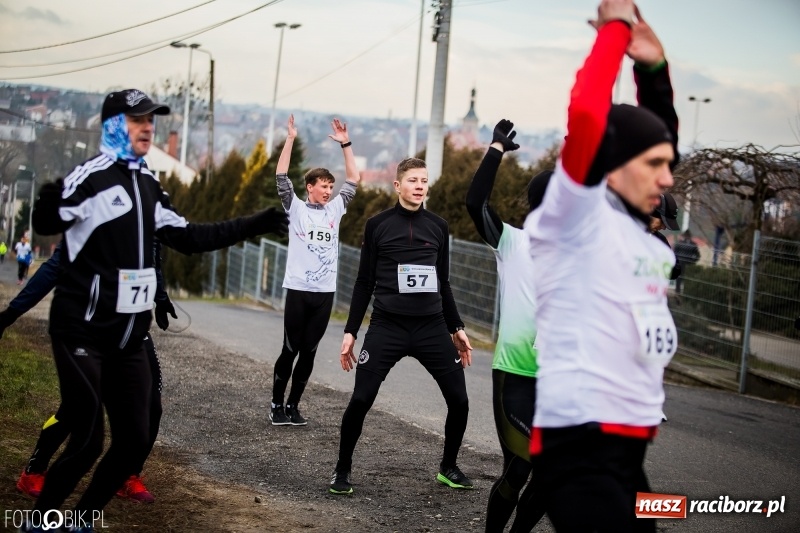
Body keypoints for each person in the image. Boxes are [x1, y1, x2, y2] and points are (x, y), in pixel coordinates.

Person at [21, 88, 288, 533]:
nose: (148, 127)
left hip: (128, 338)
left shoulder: (147, 183)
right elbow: (50, 220)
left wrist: (253, 223)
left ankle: (80, 521)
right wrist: (46, 207)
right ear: (112, 126)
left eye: (151, 120)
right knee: (88, 440)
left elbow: (190, 237)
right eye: (137, 120)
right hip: (81, 330)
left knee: (135, 441)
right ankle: (40, 523)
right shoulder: (91, 177)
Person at [519, 2, 678, 531]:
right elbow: (589, 115)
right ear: (612, 166)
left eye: (668, 164)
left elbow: (652, 136)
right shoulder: (576, 218)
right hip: (579, 446)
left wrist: (652, 69)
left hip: (630, 451)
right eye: (655, 166)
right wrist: (614, 32)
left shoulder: (637, 231)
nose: (667, 179)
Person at [330, 157, 473, 495]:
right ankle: (341, 469)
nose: (420, 186)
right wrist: (350, 332)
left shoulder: (438, 226)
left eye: (424, 181)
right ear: (397, 186)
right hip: (388, 326)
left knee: (460, 400)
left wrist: (456, 327)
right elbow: (364, 282)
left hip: (431, 326)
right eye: (412, 180)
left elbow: (443, 281)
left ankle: (448, 467)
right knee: (361, 398)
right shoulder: (377, 225)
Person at [3, 241, 175, 505]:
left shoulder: (148, 218)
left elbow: (151, 261)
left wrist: (160, 297)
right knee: (78, 407)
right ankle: (34, 470)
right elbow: (54, 267)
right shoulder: (90, 219)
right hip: (90, 327)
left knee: (152, 407)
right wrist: (13, 312)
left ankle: (127, 474)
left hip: (130, 327)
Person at [465, 120, 546, 532]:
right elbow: (475, 202)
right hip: (515, 375)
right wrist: (495, 149)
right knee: (519, 469)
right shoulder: (513, 242)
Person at [269, 114, 361, 426]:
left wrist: (345, 144)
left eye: (331, 187)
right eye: (324, 186)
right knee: (290, 349)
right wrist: (290, 138)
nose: (328, 191)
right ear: (310, 187)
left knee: (309, 351)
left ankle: (293, 406)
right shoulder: (295, 208)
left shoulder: (336, 209)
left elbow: (354, 179)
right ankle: (276, 404)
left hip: (324, 293)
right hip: (298, 289)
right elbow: (281, 176)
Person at [649, 192, 682, 281]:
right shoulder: (627, 232)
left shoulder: (660, 240)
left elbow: (676, 269)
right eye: (662, 222)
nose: (663, 227)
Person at [673, 230, 700, 294]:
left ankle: (677, 291)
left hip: (680, 263)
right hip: (689, 264)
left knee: (679, 278)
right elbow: (697, 256)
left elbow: (674, 253)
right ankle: (685, 292)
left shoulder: (679, 243)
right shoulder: (693, 245)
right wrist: (693, 261)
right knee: (687, 279)